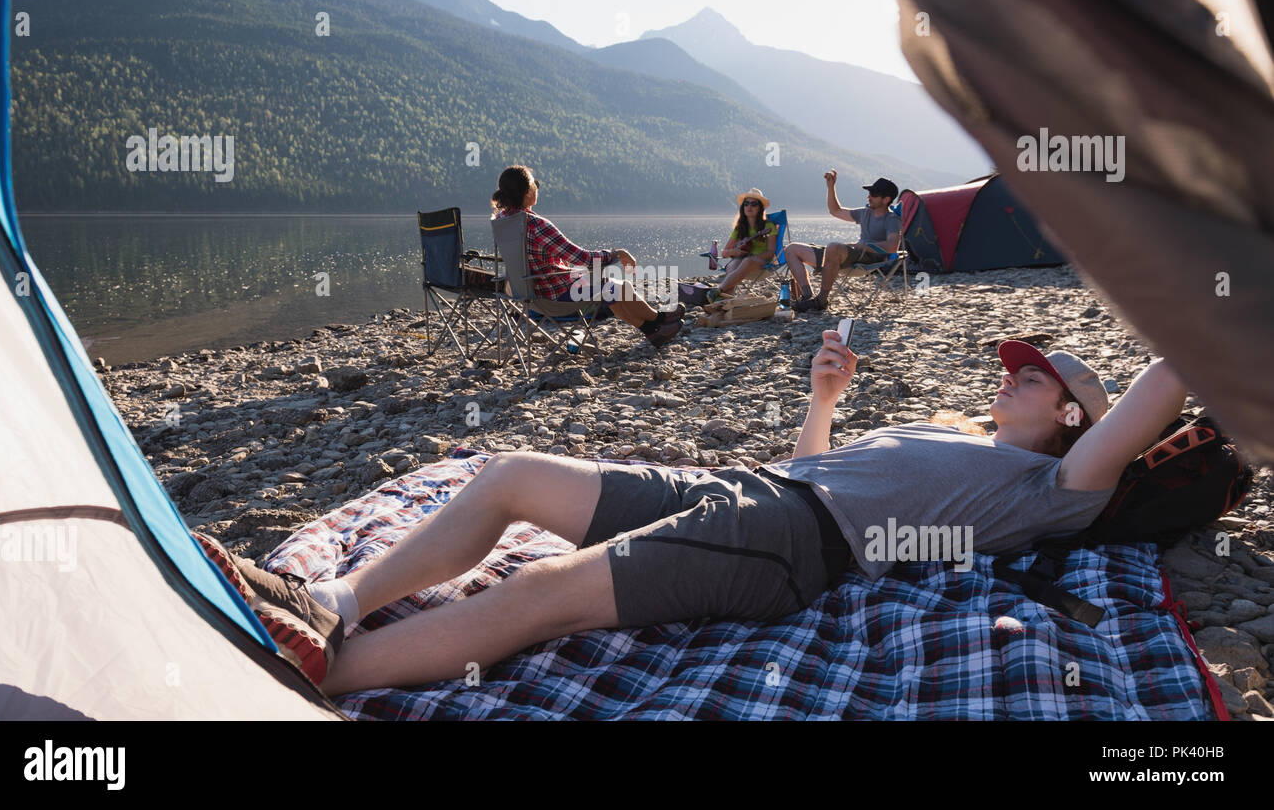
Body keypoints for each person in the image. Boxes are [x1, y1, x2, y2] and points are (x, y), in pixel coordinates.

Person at [195, 332, 1188, 692]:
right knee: (509, 475)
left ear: (1072, 418)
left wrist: (1214, 285)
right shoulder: (958, 442)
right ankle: (333, 600)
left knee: (545, 590)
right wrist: (825, 401)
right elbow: (817, 468)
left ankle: (308, 680)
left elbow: (1154, 394)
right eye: (1014, 370)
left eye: (1035, 379)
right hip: (760, 490)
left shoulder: (1052, 490)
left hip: (790, 545)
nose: (1009, 378)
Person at [490, 165, 683, 347]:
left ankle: (653, 330)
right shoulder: (535, 225)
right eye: (534, 183)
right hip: (556, 296)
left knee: (610, 288)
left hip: (526, 294)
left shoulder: (502, 220)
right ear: (527, 192)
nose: (536, 187)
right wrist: (616, 254)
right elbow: (583, 258)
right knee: (620, 287)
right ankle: (659, 319)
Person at [783, 171, 904, 312]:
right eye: (870, 193)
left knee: (833, 247)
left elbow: (892, 247)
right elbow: (836, 211)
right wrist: (830, 187)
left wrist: (868, 246)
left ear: (886, 199)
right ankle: (807, 295)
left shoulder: (892, 220)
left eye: (874, 194)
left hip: (866, 259)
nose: (869, 196)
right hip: (849, 255)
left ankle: (821, 299)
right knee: (792, 249)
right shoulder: (865, 213)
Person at [706, 188, 779, 303]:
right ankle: (725, 302)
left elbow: (771, 252)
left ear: (760, 208)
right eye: (746, 203)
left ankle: (718, 291)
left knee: (747, 261)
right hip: (741, 263)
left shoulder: (768, 226)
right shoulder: (740, 228)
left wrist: (753, 258)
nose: (749, 206)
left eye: (754, 204)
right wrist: (735, 252)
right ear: (743, 207)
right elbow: (724, 253)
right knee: (731, 266)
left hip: (764, 264)